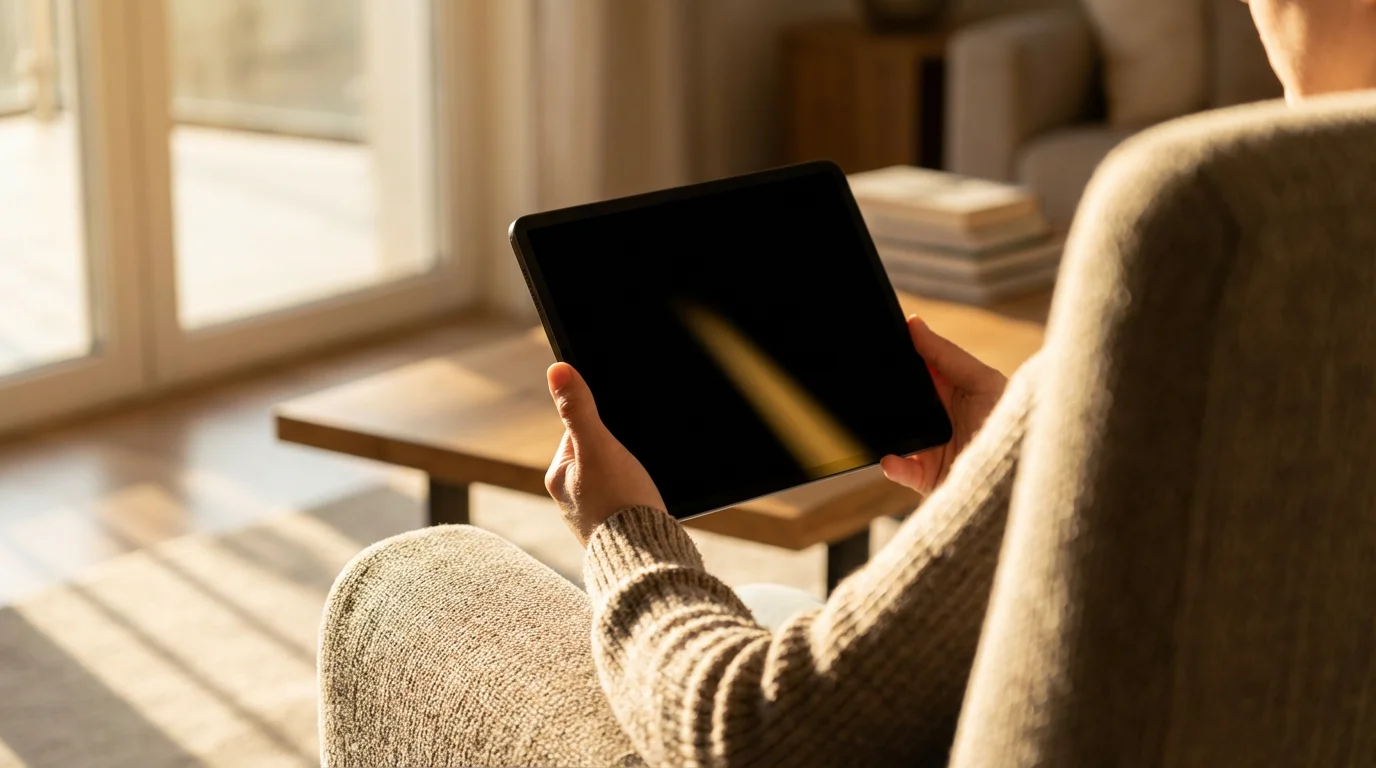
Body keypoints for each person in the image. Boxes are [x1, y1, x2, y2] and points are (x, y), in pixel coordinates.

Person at [536, 0, 1376, 765]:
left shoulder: (1200, 250)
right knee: (762, 593)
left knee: (429, 585)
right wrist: (1040, 486)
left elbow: (759, 733)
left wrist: (624, 531)